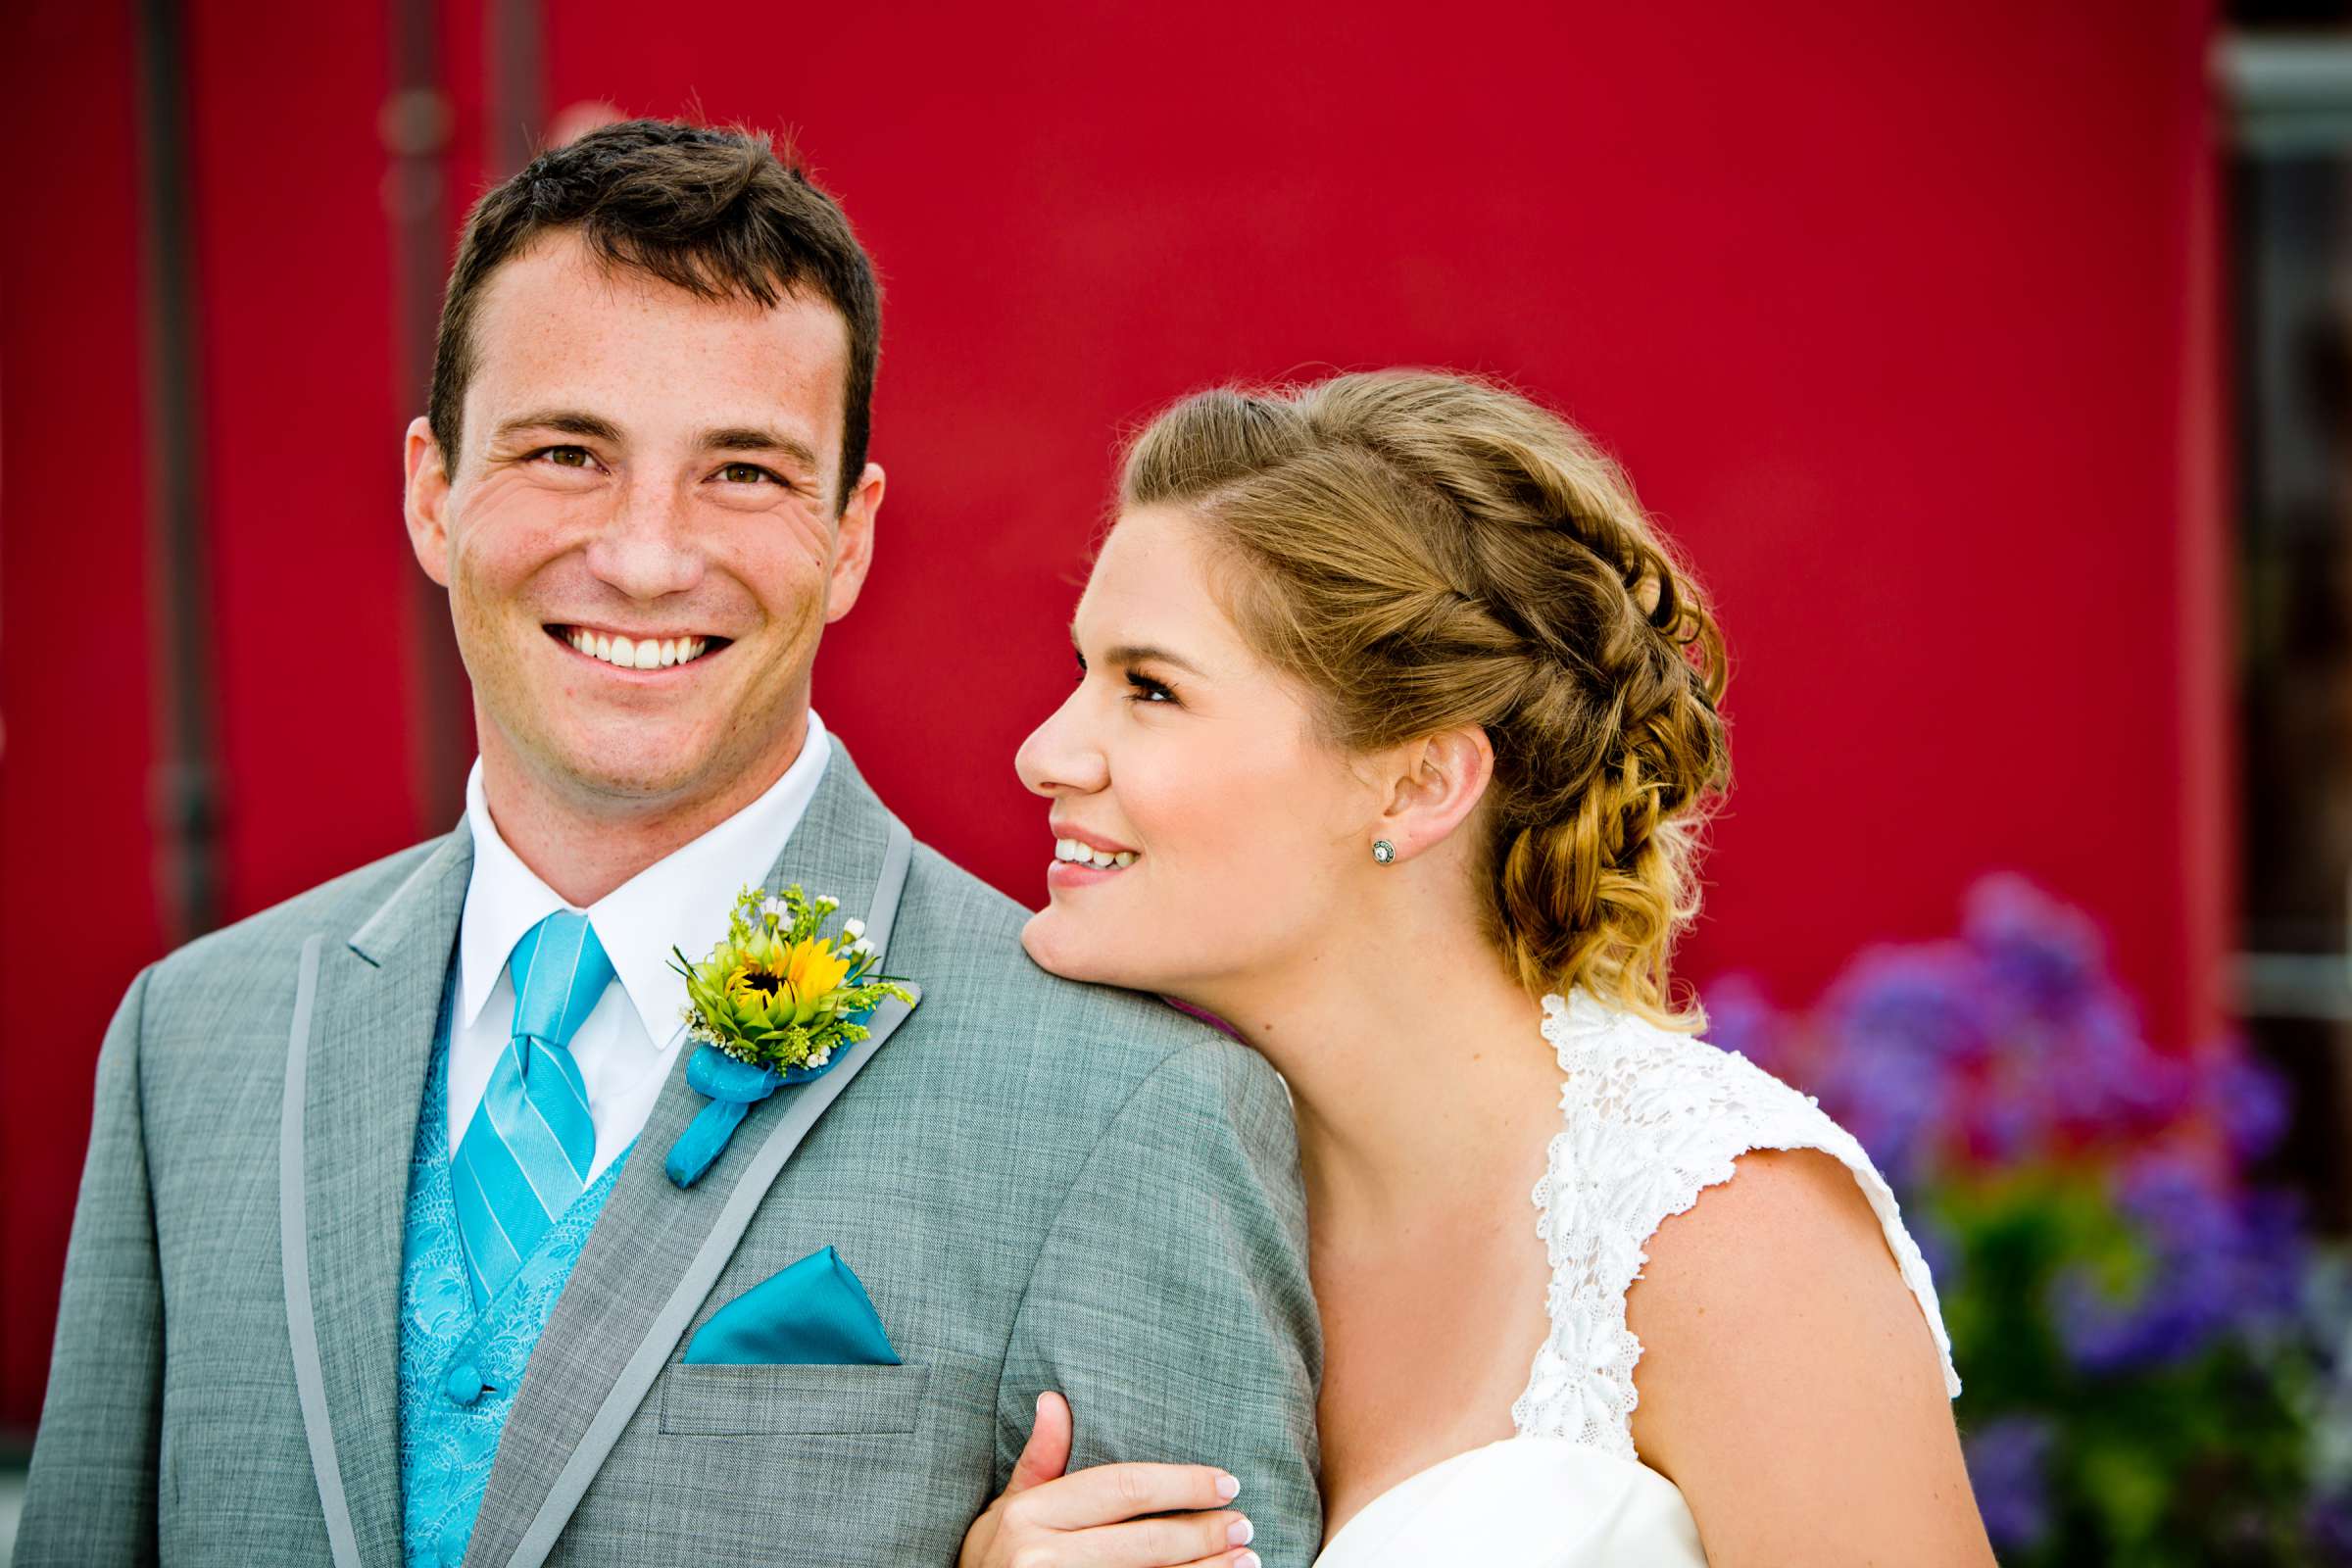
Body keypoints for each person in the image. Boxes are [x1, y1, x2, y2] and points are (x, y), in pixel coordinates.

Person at [15, 120, 1318, 1568]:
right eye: (568, 452)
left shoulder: (1128, 1108)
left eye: (744, 473)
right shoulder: (189, 1044)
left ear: (850, 538)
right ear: (433, 492)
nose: (645, 554)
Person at [962, 371, 1998, 1566]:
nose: (1047, 753)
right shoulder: (1180, 1198)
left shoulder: (1723, 1235)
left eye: (1150, 687)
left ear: (1417, 782)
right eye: (1085, 672)